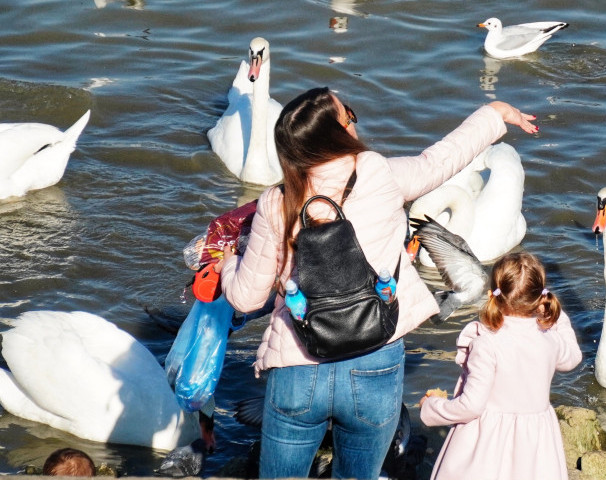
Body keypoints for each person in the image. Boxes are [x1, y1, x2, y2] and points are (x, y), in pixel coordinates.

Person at [219, 87, 538, 480]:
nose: (354, 122)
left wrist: (228, 262)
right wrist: (492, 115)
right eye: (348, 115)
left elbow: (247, 298)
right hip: (374, 360)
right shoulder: (377, 173)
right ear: (336, 134)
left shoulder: (276, 201)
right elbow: (438, 161)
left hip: (298, 365)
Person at [419, 252, 582, 480]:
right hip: (536, 441)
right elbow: (573, 357)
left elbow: (472, 406)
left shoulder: (487, 343)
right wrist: (557, 317)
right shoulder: (549, 340)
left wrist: (433, 407)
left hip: (487, 443)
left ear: (491, 296)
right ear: (540, 298)